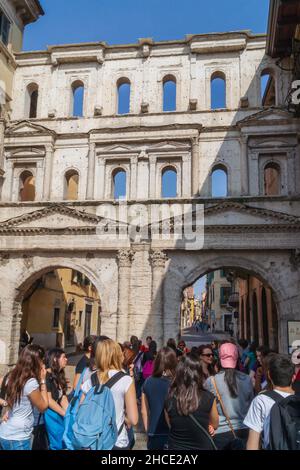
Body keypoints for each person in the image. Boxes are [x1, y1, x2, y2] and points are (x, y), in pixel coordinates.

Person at [81, 339, 139, 450]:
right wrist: (124, 417)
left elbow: (82, 409)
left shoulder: (90, 379)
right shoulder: (125, 380)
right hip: (116, 441)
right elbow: (134, 419)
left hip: (93, 441)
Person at [205, 342, 254, 450]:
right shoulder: (247, 379)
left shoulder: (211, 381)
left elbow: (206, 408)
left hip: (220, 433)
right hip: (244, 431)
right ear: (236, 358)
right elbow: (251, 405)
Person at [165, 354, 219, 450]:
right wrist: (209, 426)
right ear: (198, 373)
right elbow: (215, 424)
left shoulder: (169, 398)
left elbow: (170, 425)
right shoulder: (209, 398)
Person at [0, 345, 49, 451]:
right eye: (42, 360)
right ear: (36, 361)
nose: (43, 364)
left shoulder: (12, 376)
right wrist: (43, 381)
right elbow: (43, 407)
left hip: (5, 432)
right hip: (18, 438)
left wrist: (7, 406)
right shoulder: (31, 382)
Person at [244, 354, 295, 450]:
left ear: (269, 376)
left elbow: (252, 444)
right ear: (293, 377)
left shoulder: (261, 400)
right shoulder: (297, 399)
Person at [141, 347, 177, 450]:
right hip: (173, 432)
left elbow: (144, 411)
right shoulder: (176, 383)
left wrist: (148, 431)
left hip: (154, 432)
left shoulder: (148, 381)